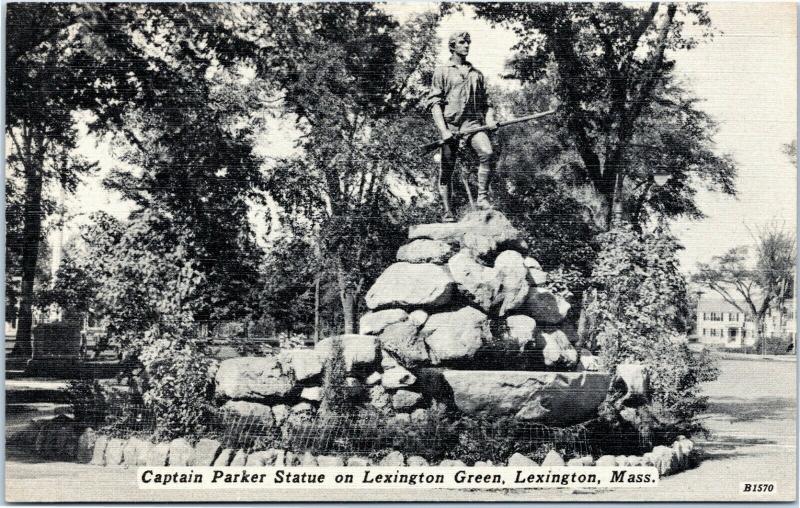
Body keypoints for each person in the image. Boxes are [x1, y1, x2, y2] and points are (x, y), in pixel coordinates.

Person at [425, 31, 497, 222]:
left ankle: (482, 198)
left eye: (468, 43)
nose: (466, 46)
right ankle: (448, 212)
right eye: (462, 43)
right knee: (447, 168)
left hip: (472, 124)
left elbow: (487, 103)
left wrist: (489, 119)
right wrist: (444, 131)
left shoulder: (476, 74)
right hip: (451, 126)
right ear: (452, 46)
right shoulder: (442, 71)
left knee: (487, 153)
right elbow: (435, 104)